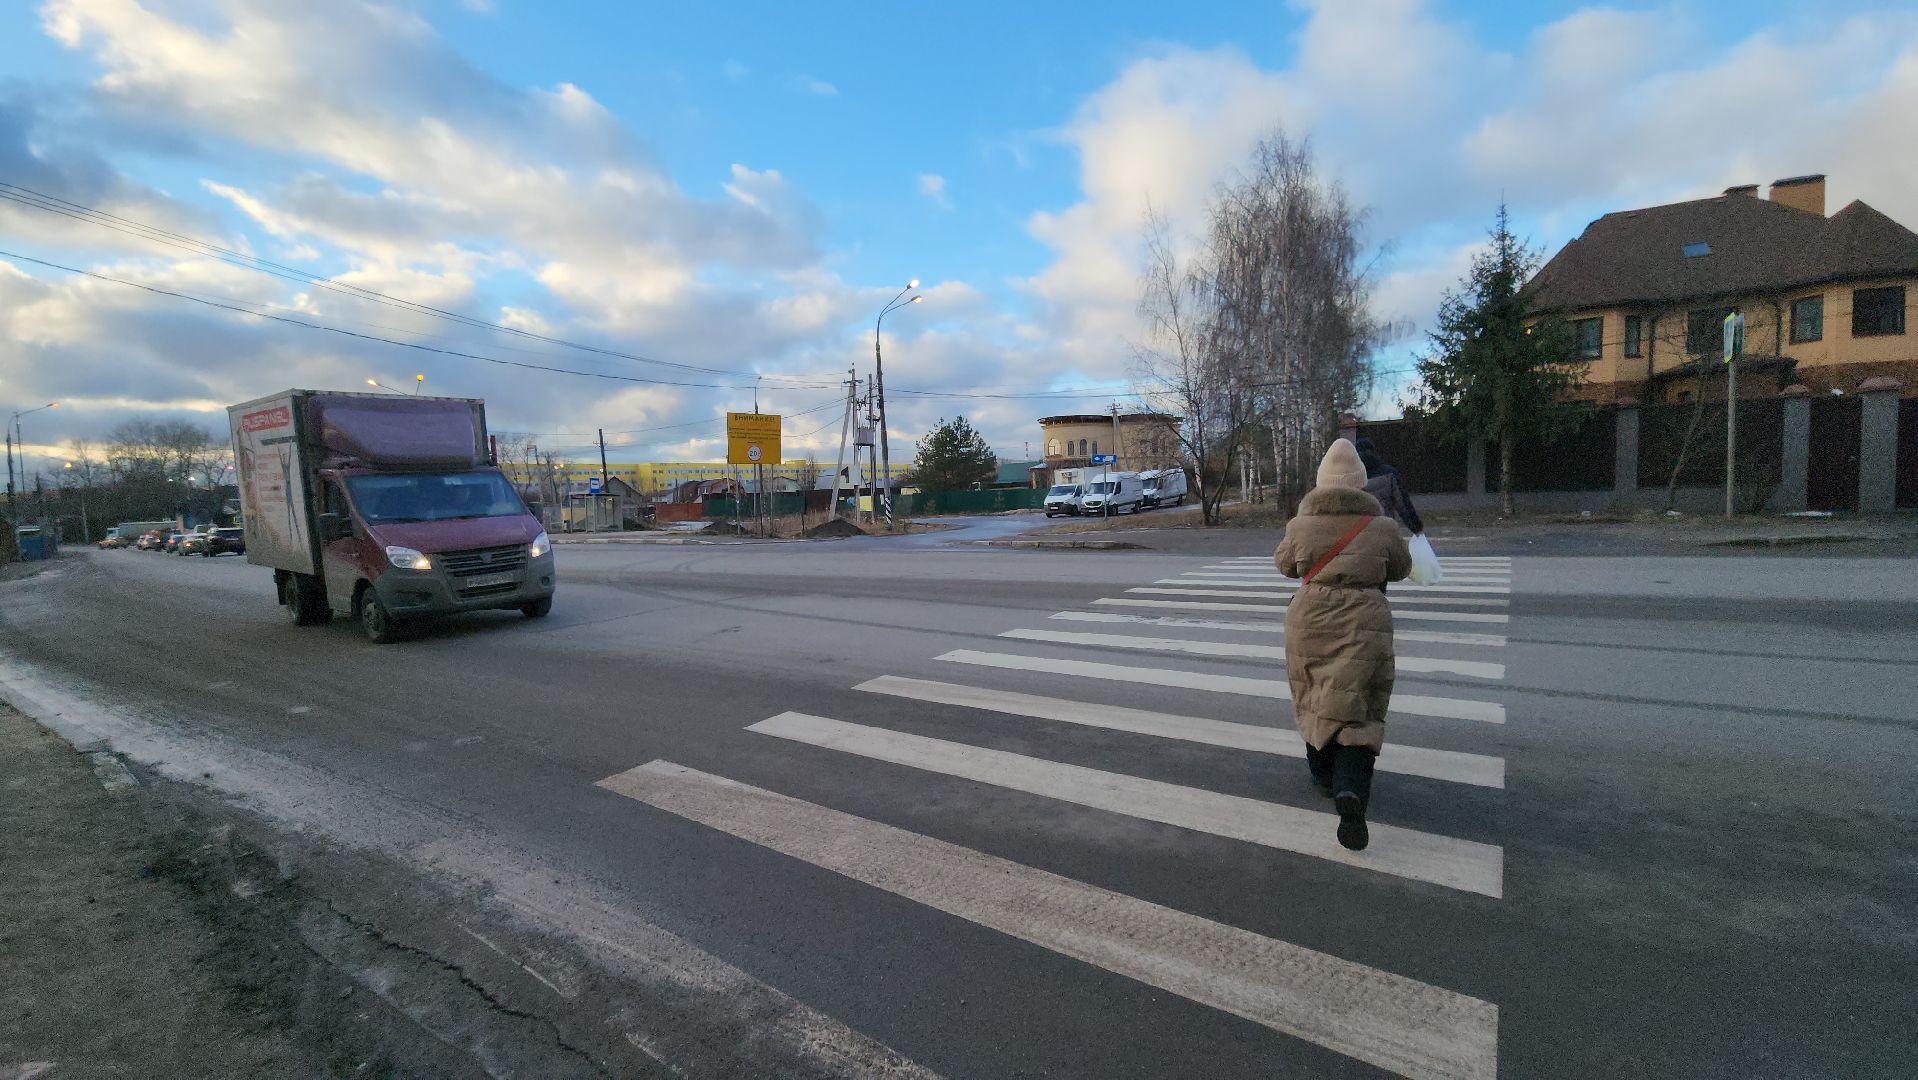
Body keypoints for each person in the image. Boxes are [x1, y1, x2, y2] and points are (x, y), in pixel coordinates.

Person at [1275, 438, 1412, 851]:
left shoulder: (1300, 525)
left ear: (1322, 482)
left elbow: (1284, 565)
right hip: (1365, 619)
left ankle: (1322, 775)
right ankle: (1351, 788)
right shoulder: (1382, 527)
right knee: (1360, 704)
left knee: (1314, 695)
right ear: (1360, 483)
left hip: (1310, 619)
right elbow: (1401, 568)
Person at [1355, 437, 1423, 536]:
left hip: (1360, 533)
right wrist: (1416, 528)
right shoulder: (1389, 473)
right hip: (1386, 529)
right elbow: (1403, 505)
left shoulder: (1351, 478)